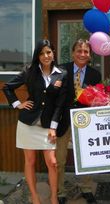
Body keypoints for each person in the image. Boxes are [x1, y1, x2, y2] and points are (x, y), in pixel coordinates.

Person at [3, 39, 67, 204]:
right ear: (37, 56)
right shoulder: (29, 71)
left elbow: (59, 104)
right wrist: (18, 104)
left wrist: (53, 127)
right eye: (41, 53)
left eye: (48, 52)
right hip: (28, 123)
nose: (45, 56)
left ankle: (53, 197)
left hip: (47, 125)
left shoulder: (62, 74)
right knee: (30, 161)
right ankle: (35, 198)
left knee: (52, 163)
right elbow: (7, 87)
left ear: (53, 53)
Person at [56, 39, 101, 204]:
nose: (82, 54)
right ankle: (60, 191)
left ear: (89, 55)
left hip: (85, 121)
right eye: (79, 51)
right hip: (62, 121)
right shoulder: (61, 70)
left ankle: (86, 188)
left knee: (86, 157)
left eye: (86, 52)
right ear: (73, 53)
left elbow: (97, 99)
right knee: (59, 159)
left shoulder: (95, 75)